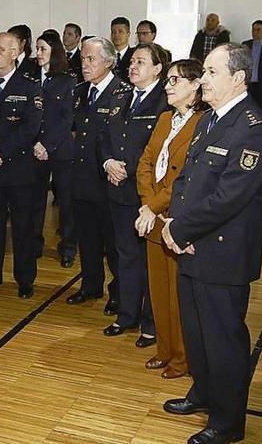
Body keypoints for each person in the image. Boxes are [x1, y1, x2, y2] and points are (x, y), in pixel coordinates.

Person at [161, 43, 262, 444]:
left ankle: (228, 422)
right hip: (192, 243)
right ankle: (204, 392)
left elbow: (230, 197)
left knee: (223, 338)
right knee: (196, 330)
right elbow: (187, 179)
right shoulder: (211, 119)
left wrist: (182, 231)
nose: (203, 79)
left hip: (222, 251)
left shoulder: (253, 129)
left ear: (238, 78)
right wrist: (176, 222)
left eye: (211, 72)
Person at [135, 58, 205, 379]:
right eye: (169, 80)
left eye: (175, 80)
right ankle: (164, 350)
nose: (168, 85)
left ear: (195, 85)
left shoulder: (202, 123)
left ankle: (182, 358)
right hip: (153, 217)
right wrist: (147, 203)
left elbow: (184, 177)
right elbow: (146, 161)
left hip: (176, 219)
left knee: (179, 295)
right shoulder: (164, 118)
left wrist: (154, 206)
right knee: (158, 290)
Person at [99, 43, 170, 347]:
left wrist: (130, 167)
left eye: (141, 62)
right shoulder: (119, 95)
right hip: (117, 189)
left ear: (157, 69)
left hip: (147, 195)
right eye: (131, 61)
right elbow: (103, 136)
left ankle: (151, 323)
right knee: (125, 255)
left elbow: (161, 148)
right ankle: (126, 315)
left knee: (150, 259)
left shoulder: (164, 102)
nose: (132, 66)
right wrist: (108, 162)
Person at [0, 32, 42, 298]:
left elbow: (30, 126)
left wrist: (1, 152)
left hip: (17, 169)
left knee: (23, 227)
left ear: (15, 53)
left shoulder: (29, 85)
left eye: (0, 49)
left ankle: (25, 277)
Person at [65, 36, 127, 311]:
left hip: (106, 181)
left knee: (112, 243)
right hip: (80, 178)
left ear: (109, 61)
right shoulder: (79, 91)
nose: (85, 64)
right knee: (87, 238)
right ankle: (90, 285)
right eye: (82, 59)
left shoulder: (122, 94)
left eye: (91, 59)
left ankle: (118, 292)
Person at [31, 32, 77, 268]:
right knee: (36, 200)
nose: (38, 53)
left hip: (60, 149)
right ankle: (34, 244)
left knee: (66, 201)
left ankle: (68, 246)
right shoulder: (30, 79)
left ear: (54, 51)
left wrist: (46, 145)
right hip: (34, 149)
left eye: (43, 49)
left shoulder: (67, 80)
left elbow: (65, 119)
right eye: (36, 49)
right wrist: (34, 144)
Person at [241, 20, 262, 121]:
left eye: (258, 30)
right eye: (253, 30)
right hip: (248, 84)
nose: (255, 32)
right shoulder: (246, 44)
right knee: (246, 111)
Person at [110, 17, 134, 82]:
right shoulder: (107, 55)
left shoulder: (134, 55)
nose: (116, 35)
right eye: (113, 32)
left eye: (120, 32)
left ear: (128, 34)